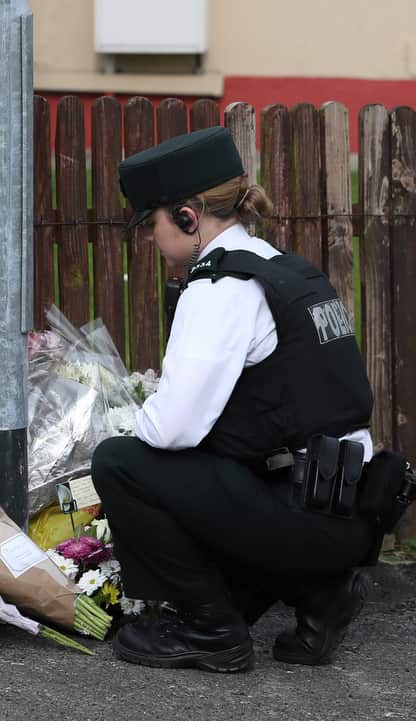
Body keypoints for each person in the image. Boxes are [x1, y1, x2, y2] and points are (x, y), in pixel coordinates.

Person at [92, 126, 377, 673]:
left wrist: (133, 416)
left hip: (301, 515)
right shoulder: (283, 268)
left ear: (187, 216)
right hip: (347, 508)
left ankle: (211, 631)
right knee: (214, 477)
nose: (148, 239)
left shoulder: (220, 289)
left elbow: (170, 430)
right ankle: (320, 593)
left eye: (150, 223)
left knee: (120, 462)